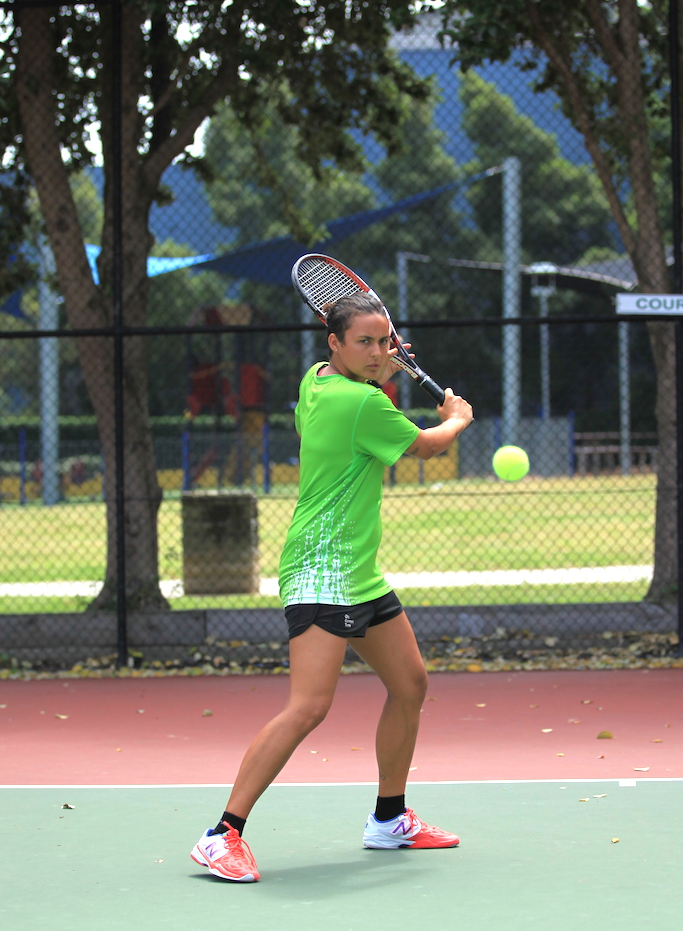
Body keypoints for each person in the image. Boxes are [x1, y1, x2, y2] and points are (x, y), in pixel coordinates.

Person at [190, 292, 473, 882]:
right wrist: (457, 418)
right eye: (363, 342)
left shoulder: (314, 382)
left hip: (358, 573)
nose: (376, 352)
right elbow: (423, 445)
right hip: (322, 572)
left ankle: (389, 819)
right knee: (309, 707)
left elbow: (370, 417)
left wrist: (385, 374)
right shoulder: (359, 405)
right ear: (334, 344)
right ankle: (222, 834)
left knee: (410, 683)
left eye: (384, 342)